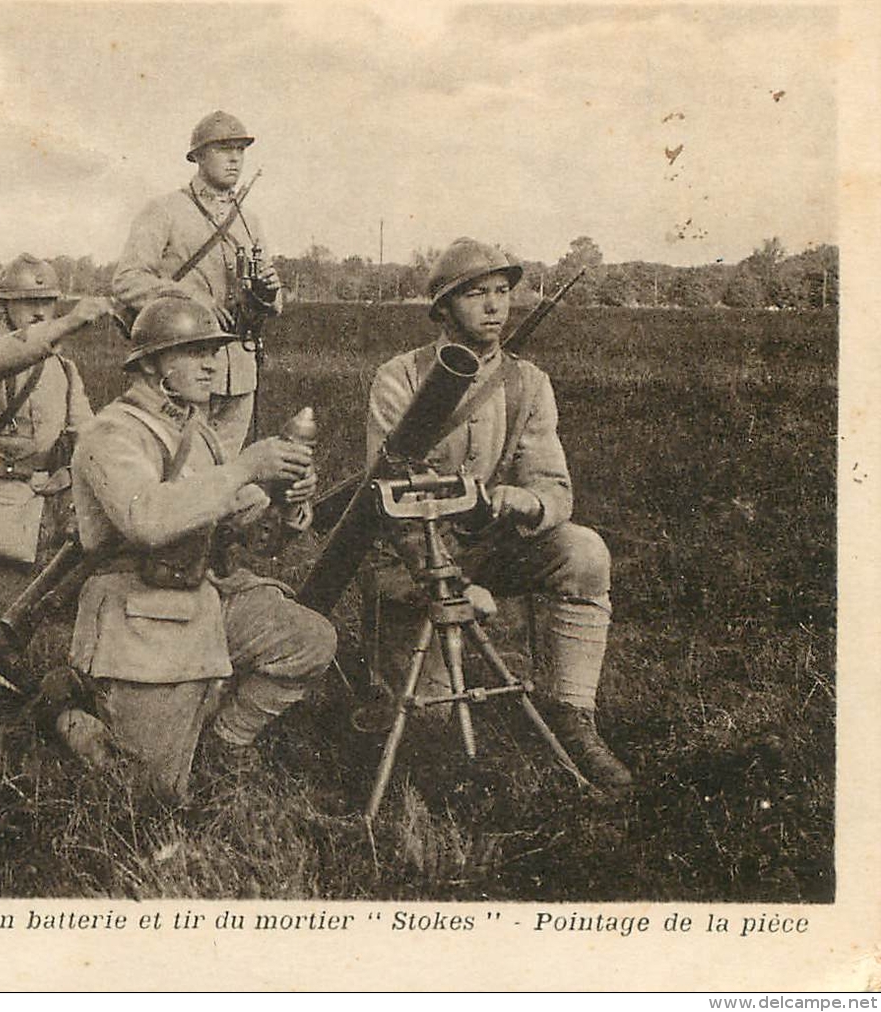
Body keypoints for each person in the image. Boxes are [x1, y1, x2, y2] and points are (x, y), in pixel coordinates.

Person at [364, 237, 633, 788]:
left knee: (583, 553)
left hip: (491, 542)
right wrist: (450, 583)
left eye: (503, 292)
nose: (494, 307)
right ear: (442, 308)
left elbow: (554, 487)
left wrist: (524, 502)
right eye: (475, 295)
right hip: (413, 558)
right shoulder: (400, 378)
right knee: (428, 724)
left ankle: (572, 714)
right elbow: (388, 505)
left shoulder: (527, 383)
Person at [62, 293, 336, 803]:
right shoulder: (112, 433)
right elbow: (146, 518)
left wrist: (287, 504)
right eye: (193, 352)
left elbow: (244, 533)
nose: (212, 364)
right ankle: (66, 718)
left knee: (308, 639)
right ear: (149, 364)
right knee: (152, 799)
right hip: (140, 620)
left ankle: (224, 747)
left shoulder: (199, 435)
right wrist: (245, 469)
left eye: (214, 351)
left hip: (204, 603)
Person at [112, 110, 283, 452]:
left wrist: (268, 291)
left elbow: (274, 305)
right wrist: (185, 297)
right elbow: (127, 280)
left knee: (225, 472)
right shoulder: (165, 211)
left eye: (240, 150)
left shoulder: (250, 221)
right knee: (177, 467)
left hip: (240, 371)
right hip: (183, 370)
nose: (235, 158)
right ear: (198, 156)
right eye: (223, 149)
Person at [0, 254, 103, 613]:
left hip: (50, 507)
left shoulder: (64, 368)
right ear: (4, 306)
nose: (40, 312)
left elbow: (89, 435)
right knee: (5, 611)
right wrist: (68, 322)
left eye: (48, 303)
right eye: (29, 302)